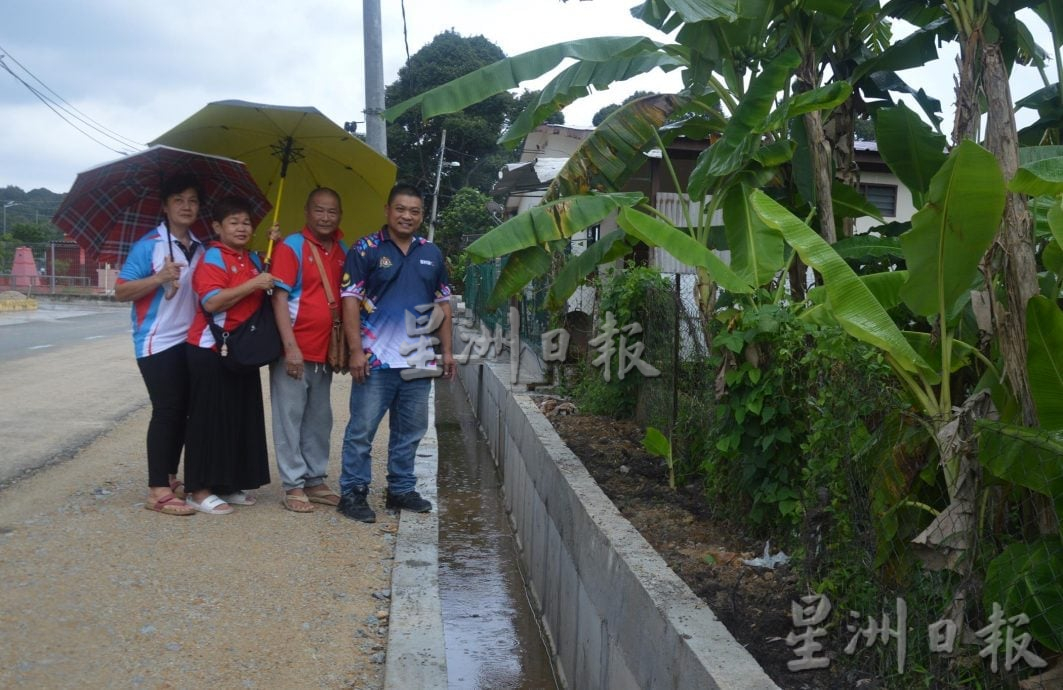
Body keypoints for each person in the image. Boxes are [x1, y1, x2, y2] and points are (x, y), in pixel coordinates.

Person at [337, 183, 456, 523]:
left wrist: (447, 352)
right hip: (375, 360)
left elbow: (443, 304)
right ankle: (353, 492)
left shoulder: (431, 253)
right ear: (388, 210)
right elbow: (350, 300)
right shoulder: (366, 249)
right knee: (362, 431)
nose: (407, 216)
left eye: (414, 211)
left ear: (421, 215)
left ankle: (401, 489)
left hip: (419, 359)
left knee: (410, 431)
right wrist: (355, 351)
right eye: (400, 209)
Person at [114, 173, 204, 517]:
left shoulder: (200, 248)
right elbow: (121, 291)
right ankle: (157, 491)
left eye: (192, 200)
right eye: (178, 200)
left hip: (190, 340)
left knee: (184, 410)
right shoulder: (148, 245)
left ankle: (168, 475)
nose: (186, 206)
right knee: (166, 409)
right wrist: (159, 278)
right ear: (165, 206)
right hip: (157, 341)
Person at [183, 196, 274, 515]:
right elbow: (211, 302)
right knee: (208, 420)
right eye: (233, 222)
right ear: (217, 227)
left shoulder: (252, 259)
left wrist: (272, 251)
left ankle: (227, 482)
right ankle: (198, 490)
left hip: (241, 350)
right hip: (210, 348)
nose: (241, 227)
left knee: (237, 418)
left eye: (246, 222)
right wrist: (254, 283)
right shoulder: (214, 257)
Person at [269, 188, 348, 513]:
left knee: (319, 419)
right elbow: (279, 298)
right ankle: (293, 485)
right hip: (295, 350)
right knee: (289, 418)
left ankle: (315, 480)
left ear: (339, 215)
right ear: (307, 212)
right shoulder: (291, 247)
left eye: (332, 211)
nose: (325, 217)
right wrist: (290, 348)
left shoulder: (343, 249)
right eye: (319, 210)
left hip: (325, 352)